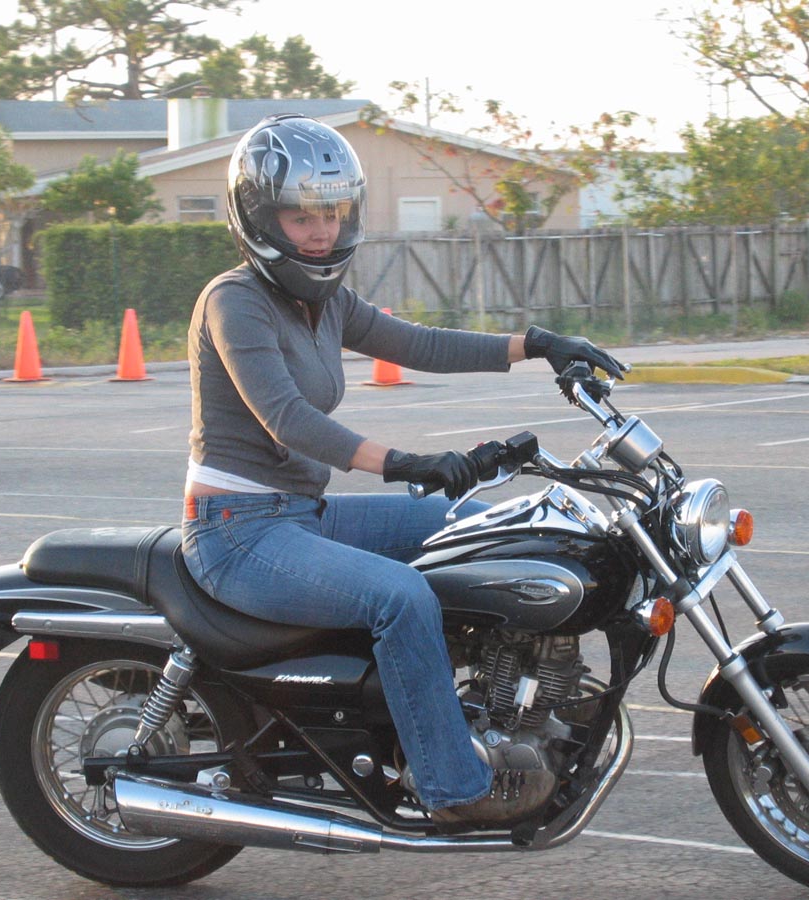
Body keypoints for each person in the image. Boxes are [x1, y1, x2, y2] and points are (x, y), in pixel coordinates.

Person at [181, 114, 625, 830]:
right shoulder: (234, 301)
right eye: (300, 216)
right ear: (258, 217)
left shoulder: (323, 302)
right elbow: (287, 419)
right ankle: (453, 788)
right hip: (237, 533)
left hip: (301, 516)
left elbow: (420, 343)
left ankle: (510, 705)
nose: (320, 232)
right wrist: (404, 463)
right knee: (402, 597)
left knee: (485, 530)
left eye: (331, 213)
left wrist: (538, 343)